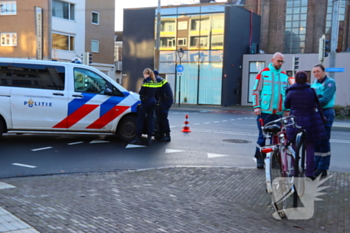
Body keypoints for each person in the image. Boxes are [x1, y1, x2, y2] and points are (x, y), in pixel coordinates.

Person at [284, 71, 326, 179]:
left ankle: (294, 171)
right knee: (310, 147)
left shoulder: (291, 91)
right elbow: (317, 104)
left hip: (295, 122)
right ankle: (309, 173)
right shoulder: (311, 91)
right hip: (309, 122)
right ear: (307, 79)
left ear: (296, 80)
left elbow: (286, 105)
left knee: (294, 146)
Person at [252, 52, 289, 169]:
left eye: (282, 61)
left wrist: (287, 109)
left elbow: (287, 94)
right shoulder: (263, 73)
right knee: (262, 136)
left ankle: (275, 160)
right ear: (273, 60)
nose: (280, 63)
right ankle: (259, 158)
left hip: (278, 113)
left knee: (277, 137)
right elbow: (256, 91)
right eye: (278, 61)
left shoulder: (284, 76)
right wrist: (256, 106)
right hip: (264, 112)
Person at [311, 64, 336, 177]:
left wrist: (312, 102)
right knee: (316, 141)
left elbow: (325, 99)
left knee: (324, 140)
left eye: (318, 71)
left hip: (326, 113)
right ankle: (316, 165)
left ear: (324, 71)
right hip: (316, 112)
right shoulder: (314, 84)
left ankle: (323, 167)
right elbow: (312, 97)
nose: (316, 73)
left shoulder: (330, 83)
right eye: (314, 72)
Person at [130, 68, 160, 145]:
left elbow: (141, 92)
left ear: (146, 74)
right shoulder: (154, 81)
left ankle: (137, 138)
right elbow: (155, 93)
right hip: (153, 101)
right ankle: (149, 138)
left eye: (144, 74)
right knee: (150, 120)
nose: (143, 75)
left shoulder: (146, 81)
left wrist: (141, 90)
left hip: (146, 102)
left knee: (140, 119)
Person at [153, 70, 174, 142]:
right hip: (166, 100)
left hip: (165, 101)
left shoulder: (158, 80)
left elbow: (156, 91)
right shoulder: (161, 80)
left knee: (163, 116)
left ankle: (167, 135)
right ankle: (161, 134)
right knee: (160, 117)